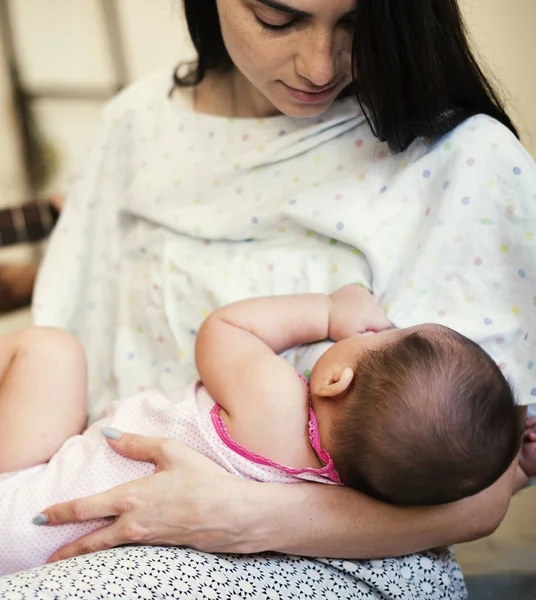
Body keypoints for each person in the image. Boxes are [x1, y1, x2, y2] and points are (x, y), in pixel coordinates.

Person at [0, 0, 534, 597]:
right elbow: (73, 340)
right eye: (278, 20)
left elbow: (477, 495)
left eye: (359, 23)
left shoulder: (463, 159)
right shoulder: (138, 124)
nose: (319, 66)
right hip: (82, 487)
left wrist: (241, 515)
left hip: (319, 559)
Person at [1, 284, 530, 575]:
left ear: (334, 378)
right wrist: (513, 466)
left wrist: (327, 313)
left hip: (24, 493)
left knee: (49, 349)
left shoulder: (274, 402)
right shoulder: (341, 489)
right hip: (39, 556)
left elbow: (225, 328)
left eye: (386, 335)